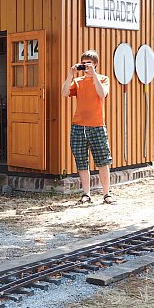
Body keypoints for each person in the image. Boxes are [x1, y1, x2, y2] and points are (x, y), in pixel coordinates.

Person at [61, 50, 114, 205]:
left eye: (89, 63)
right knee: (81, 161)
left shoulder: (103, 79)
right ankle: (86, 194)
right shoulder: (78, 81)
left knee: (103, 161)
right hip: (78, 126)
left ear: (95, 64)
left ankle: (106, 194)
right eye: (83, 63)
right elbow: (64, 93)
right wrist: (71, 74)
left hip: (97, 125)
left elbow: (102, 94)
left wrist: (94, 75)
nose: (86, 66)